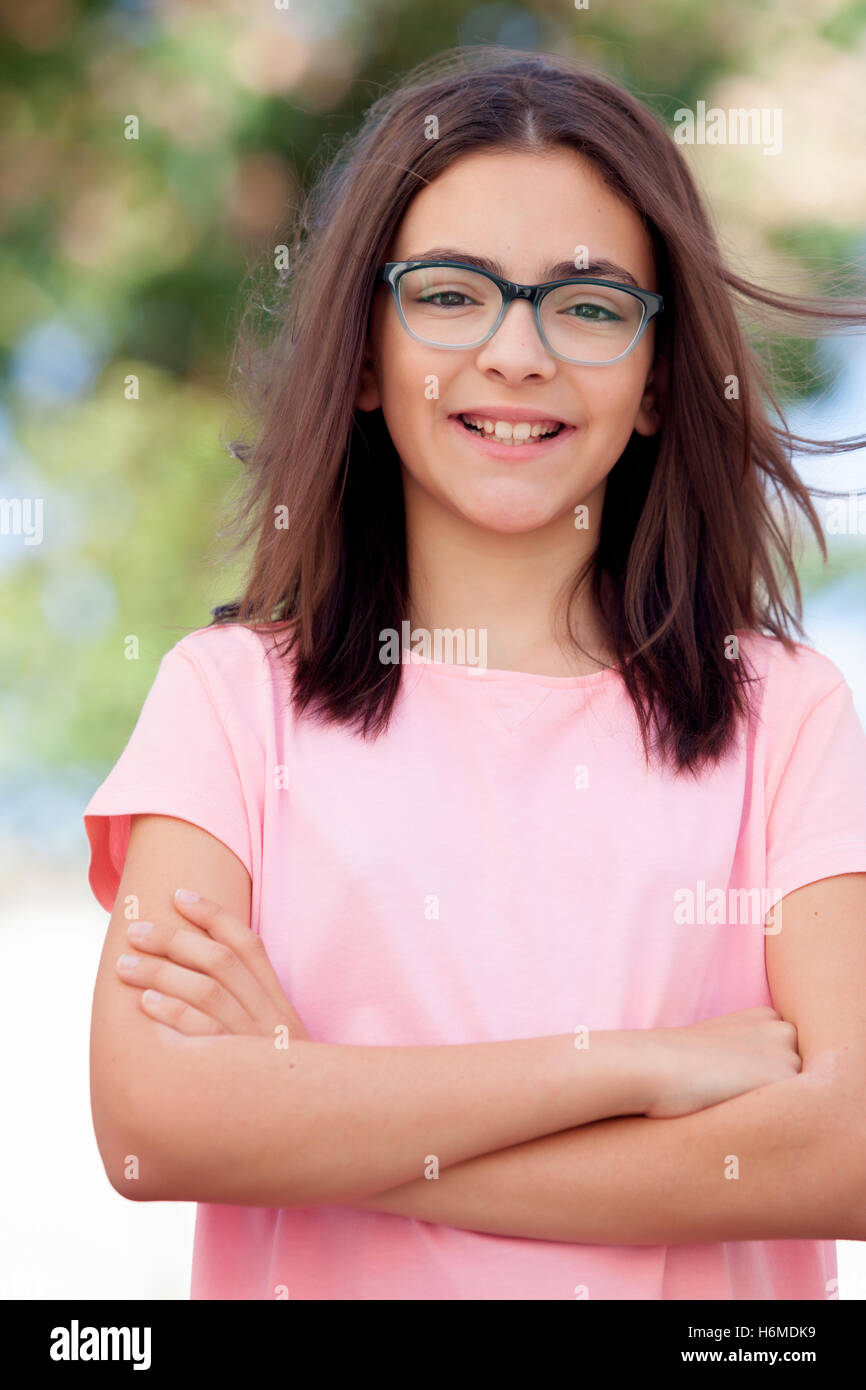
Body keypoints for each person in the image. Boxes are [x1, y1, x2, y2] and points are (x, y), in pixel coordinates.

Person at [84, 46, 866, 1300]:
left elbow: (848, 1148)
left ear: (658, 378)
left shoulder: (788, 717)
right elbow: (150, 1126)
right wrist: (632, 1066)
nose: (516, 352)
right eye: (449, 294)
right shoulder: (224, 703)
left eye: (592, 304)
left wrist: (313, 1110)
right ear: (358, 354)